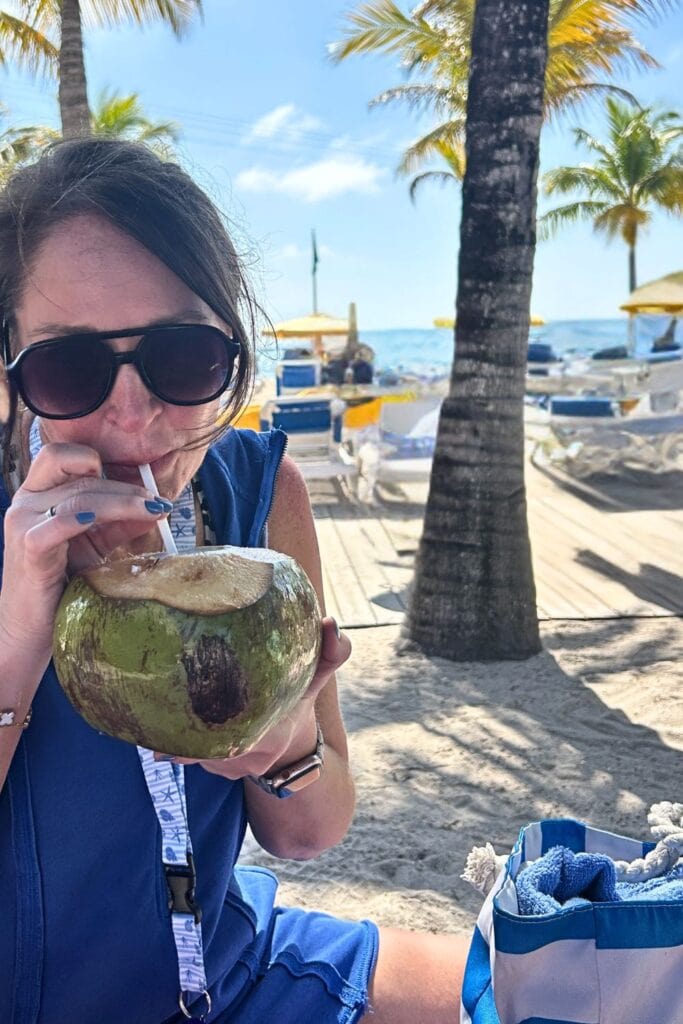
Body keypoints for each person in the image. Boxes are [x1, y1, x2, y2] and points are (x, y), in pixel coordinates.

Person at [0, 139, 467, 1024]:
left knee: (571, 985)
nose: (133, 414)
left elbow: (308, 831)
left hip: (227, 974)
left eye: (182, 357)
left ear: (231, 355)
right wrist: (20, 630)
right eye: (70, 366)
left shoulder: (259, 494)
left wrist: (283, 742)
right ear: (12, 367)